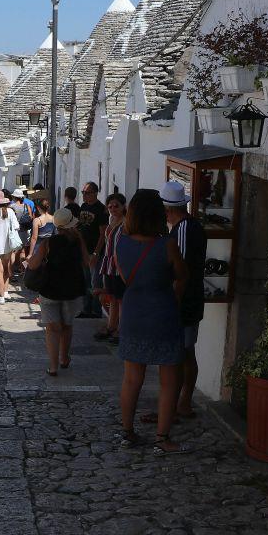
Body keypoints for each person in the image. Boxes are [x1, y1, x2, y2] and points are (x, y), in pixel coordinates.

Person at [115, 189, 190, 456]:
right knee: (170, 379)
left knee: (132, 378)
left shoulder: (120, 240)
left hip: (133, 311)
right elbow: (182, 274)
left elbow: (125, 277)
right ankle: (162, 437)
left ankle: (126, 431)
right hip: (163, 311)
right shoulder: (166, 244)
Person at [155, 180, 207, 421]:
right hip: (187, 300)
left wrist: (171, 302)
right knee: (185, 352)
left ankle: (182, 403)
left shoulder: (184, 229)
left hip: (184, 302)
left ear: (168, 209)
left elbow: (181, 272)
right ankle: (179, 402)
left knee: (183, 353)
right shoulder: (183, 227)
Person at [27, 208, 88, 376]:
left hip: (50, 290)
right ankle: (64, 358)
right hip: (72, 290)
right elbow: (87, 262)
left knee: (52, 329)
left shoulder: (48, 243)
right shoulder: (77, 241)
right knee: (67, 326)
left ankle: (53, 366)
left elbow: (33, 265)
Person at [94, 192, 127, 342]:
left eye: (116, 206)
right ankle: (111, 326)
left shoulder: (126, 222)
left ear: (123, 206)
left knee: (121, 299)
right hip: (109, 264)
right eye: (110, 206)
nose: (113, 208)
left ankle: (121, 330)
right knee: (112, 297)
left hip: (119, 263)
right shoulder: (112, 219)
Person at [77, 182, 109, 318]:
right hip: (84, 250)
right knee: (85, 280)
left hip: (95, 251)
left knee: (95, 281)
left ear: (95, 193)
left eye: (87, 192)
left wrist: (96, 253)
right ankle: (86, 309)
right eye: (83, 192)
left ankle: (96, 310)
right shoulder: (83, 206)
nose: (84, 195)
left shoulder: (101, 210)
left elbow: (103, 233)